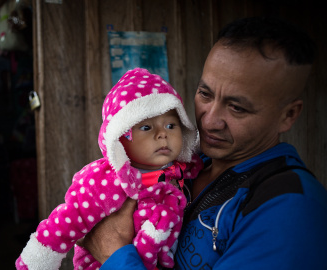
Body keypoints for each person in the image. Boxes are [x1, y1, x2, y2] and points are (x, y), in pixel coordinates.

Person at [79, 16, 327, 269]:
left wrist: (113, 252)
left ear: (288, 115)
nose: (209, 121)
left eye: (237, 108)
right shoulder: (184, 163)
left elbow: (111, 241)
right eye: (205, 94)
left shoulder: (291, 207)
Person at [16, 68, 203, 270]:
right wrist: (38, 259)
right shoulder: (105, 180)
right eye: (147, 127)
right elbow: (68, 218)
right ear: (120, 137)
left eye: (171, 126)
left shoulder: (183, 171)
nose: (162, 135)